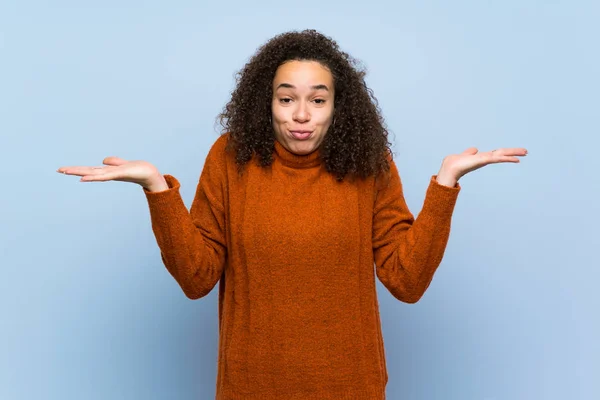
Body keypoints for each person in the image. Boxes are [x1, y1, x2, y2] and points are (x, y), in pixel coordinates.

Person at [57, 29, 527, 399]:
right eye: (287, 99)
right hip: (250, 389)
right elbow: (197, 277)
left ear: (337, 108)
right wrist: (157, 188)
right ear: (268, 103)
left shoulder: (370, 163)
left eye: (317, 100)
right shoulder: (230, 157)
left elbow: (407, 280)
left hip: (351, 389)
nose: (301, 114)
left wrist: (445, 183)